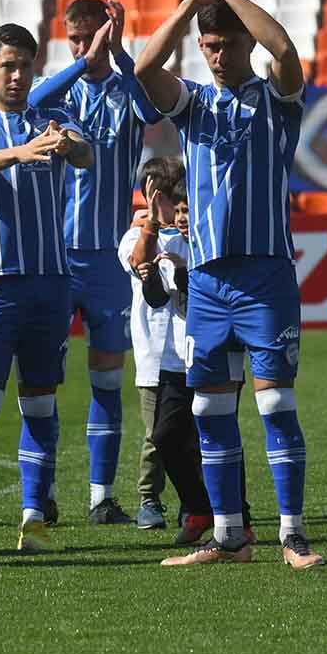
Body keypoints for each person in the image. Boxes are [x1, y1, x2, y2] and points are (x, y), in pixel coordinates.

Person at [134, 0, 325, 569]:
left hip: (266, 276)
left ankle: (292, 533)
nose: (217, 56)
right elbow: (142, 69)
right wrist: (193, 1)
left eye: (227, 45)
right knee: (211, 412)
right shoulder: (194, 105)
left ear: (246, 45)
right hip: (208, 282)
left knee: (275, 406)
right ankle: (228, 535)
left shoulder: (277, 100)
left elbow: (288, 53)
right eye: (210, 47)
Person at [0, 23, 94, 558]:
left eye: (25, 65)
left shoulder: (51, 121)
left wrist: (68, 141)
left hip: (50, 286)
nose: (16, 75)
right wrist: (19, 153)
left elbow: (84, 156)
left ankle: (34, 519)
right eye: (7, 65)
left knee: (40, 407)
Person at [27, 0, 160, 526]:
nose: (87, 47)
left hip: (108, 262)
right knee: (44, 383)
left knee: (107, 381)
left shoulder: (126, 89)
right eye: (76, 39)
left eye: (92, 37)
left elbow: (152, 112)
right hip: (57, 261)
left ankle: (101, 497)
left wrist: (121, 53)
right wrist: (83, 62)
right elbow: (31, 100)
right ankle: (44, 494)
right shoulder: (62, 94)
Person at [125, 169, 257, 546]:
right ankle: (198, 508)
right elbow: (158, 299)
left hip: (219, 353)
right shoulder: (170, 243)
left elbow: (214, 297)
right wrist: (152, 276)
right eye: (179, 210)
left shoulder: (216, 243)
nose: (183, 217)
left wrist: (183, 276)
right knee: (165, 437)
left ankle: (240, 519)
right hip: (178, 359)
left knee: (218, 434)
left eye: (188, 209)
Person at [118, 157, 183, 532]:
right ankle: (149, 497)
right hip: (154, 354)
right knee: (156, 434)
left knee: (194, 431)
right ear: (150, 196)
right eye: (167, 198)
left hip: (191, 350)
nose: (175, 207)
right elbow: (137, 263)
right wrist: (152, 227)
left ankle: (195, 501)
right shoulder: (135, 235)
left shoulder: (195, 232)